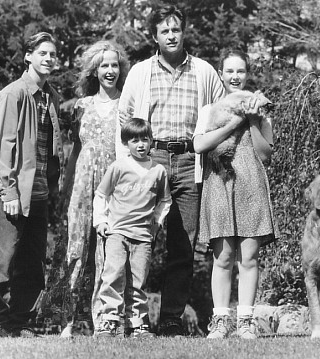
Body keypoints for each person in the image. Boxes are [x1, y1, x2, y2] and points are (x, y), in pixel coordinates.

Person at [116, 3, 225, 337]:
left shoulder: (205, 72)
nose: (171, 35)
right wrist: (130, 169)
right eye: (164, 30)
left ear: (184, 32)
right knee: (139, 239)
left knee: (183, 245)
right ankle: (132, 318)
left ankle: (171, 319)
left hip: (191, 162)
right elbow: (125, 119)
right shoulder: (139, 73)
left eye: (175, 29)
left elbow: (221, 116)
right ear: (155, 36)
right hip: (152, 160)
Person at [43, 40, 130, 337]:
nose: (110, 70)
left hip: (115, 185)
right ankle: (68, 321)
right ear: (94, 70)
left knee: (109, 250)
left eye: (114, 65)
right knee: (76, 248)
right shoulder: (82, 106)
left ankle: (108, 320)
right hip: (82, 185)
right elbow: (75, 151)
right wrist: (65, 188)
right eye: (103, 65)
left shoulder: (126, 105)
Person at [193, 49, 279, 339]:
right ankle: (220, 320)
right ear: (220, 74)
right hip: (219, 182)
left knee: (249, 257)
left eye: (240, 71)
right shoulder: (210, 110)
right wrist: (234, 121)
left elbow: (266, 153)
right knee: (223, 256)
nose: (235, 77)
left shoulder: (259, 110)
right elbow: (200, 146)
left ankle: (245, 320)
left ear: (247, 74)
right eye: (229, 71)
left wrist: (253, 120)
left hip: (251, 183)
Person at [0, 32, 64, 338]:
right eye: (42, 53)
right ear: (28, 56)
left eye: (52, 54)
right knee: (2, 259)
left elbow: (52, 149)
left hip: (40, 193)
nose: (48, 58)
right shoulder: (13, 94)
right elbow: (2, 149)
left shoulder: (50, 97)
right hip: (13, 193)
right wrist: (10, 192)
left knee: (32, 263)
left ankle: (22, 322)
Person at [93, 118, 171, 338]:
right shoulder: (118, 167)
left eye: (144, 139)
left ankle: (136, 324)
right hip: (117, 232)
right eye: (134, 140)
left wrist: (157, 221)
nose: (140, 144)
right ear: (125, 143)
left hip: (144, 236)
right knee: (113, 275)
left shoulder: (158, 171)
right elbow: (101, 195)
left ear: (151, 141)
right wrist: (101, 221)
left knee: (137, 280)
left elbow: (165, 201)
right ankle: (108, 321)